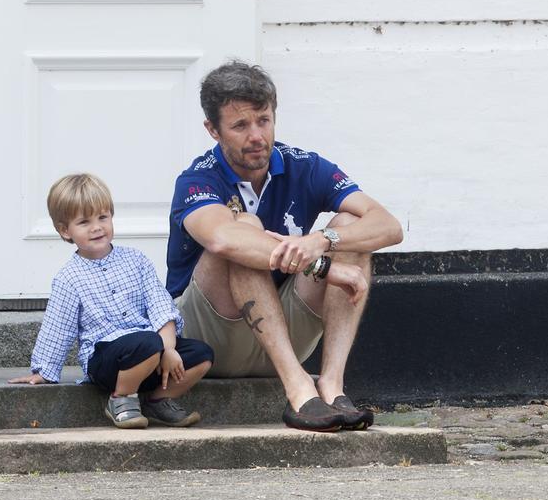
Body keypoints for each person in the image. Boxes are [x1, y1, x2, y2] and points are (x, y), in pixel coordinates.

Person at [168, 61, 404, 433]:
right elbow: (221, 239)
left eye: (263, 120)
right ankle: (298, 388)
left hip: (281, 327)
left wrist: (323, 241)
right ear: (212, 130)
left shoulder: (304, 166)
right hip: (210, 338)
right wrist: (323, 266)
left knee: (349, 228)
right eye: (240, 126)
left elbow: (388, 225)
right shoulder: (197, 179)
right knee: (242, 230)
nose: (257, 136)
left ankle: (331, 385)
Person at [10, 174, 213, 429]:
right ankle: (120, 398)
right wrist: (44, 370)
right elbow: (58, 327)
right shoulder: (69, 278)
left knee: (201, 354)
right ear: (65, 231)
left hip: (152, 351)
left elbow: (161, 308)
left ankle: (157, 400)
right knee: (147, 343)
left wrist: (170, 349)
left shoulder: (136, 261)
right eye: (84, 222)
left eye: (103, 218)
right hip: (108, 361)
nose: (96, 227)